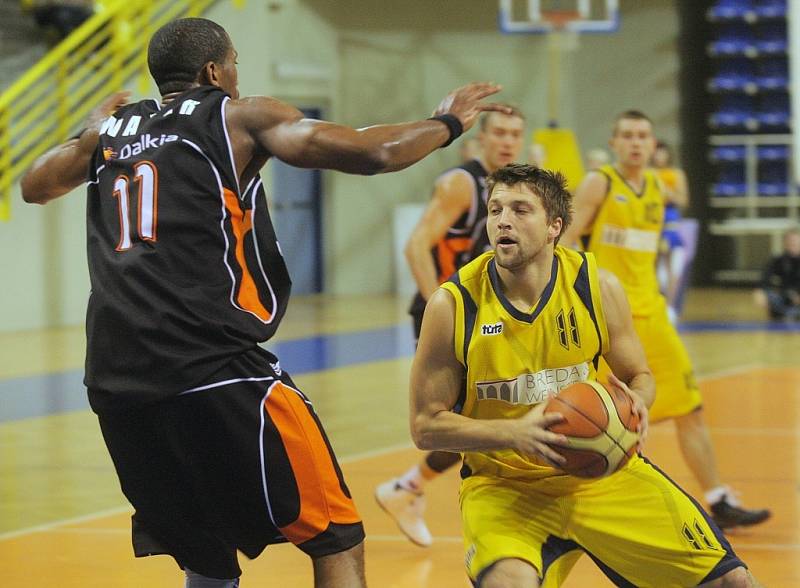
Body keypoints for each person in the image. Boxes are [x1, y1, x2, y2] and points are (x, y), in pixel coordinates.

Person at [19, 17, 509, 588]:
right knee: (337, 533)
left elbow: (35, 184)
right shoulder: (236, 115)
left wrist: (88, 130)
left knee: (204, 552)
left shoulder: (114, 132)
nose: (236, 76)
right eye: (233, 65)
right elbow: (376, 152)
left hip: (115, 381)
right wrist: (446, 121)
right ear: (213, 70)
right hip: (215, 365)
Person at [409, 163, 759, 587]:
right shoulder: (453, 305)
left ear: (555, 225)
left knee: (734, 582)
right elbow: (426, 426)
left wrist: (636, 405)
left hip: (606, 476)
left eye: (521, 210)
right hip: (505, 487)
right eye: (495, 209)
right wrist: (513, 435)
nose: (503, 220)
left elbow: (640, 376)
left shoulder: (597, 287)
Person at [561, 110, 770, 529]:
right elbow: (566, 237)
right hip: (610, 316)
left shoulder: (659, 187)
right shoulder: (599, 183)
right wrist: (579, 295)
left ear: (654, 145)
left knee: (690, 406)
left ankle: (718, 499)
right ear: (615, 142)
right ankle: (582, 502)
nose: (637, 143)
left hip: (653, 314)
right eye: (628, 136)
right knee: (608, 416)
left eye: (644, 136)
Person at [375, 106, 525, 546]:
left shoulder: (515, 188)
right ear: (481, 139)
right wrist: (442, 304)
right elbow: (416, 245)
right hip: (445, 315)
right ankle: (412, 488)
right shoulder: (463, 184)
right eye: (499, 132)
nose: (507, 141)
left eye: (515, 133)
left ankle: (408, 488)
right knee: (458, 417)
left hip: (486, 317)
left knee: (485, 414)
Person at [652, 140, 691, 321]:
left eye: (662, 152)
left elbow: (683, 200)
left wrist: (667, 193)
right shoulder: (647, 173)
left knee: (672, 265)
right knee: (654, 266)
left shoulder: (676, 174)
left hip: (670, 222)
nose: (659, 156)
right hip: (652, 221)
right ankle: (656, 303)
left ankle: (670, 306)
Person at [754, 227, 800, 320]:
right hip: (785, 297)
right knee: (770, 295)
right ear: (785, 242)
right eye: (790, 240)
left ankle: (788, 314)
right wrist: (760, 291)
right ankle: (788, 314)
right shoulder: (777, 260)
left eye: (796, 241)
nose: (793, 243)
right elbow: (765, 277)